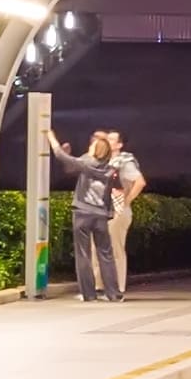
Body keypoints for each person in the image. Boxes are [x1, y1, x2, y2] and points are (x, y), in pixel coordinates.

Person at [71, 127, 143, 300]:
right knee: (97, 249)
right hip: (102, 210)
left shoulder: (124, 161)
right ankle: (99, 288)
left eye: (111, 140)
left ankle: (117, 290)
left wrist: (125, 202)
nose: (106, 142)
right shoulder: (102, 161)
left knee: (114, 250)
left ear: (119, 144)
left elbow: (139, 182)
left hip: (117, 211)